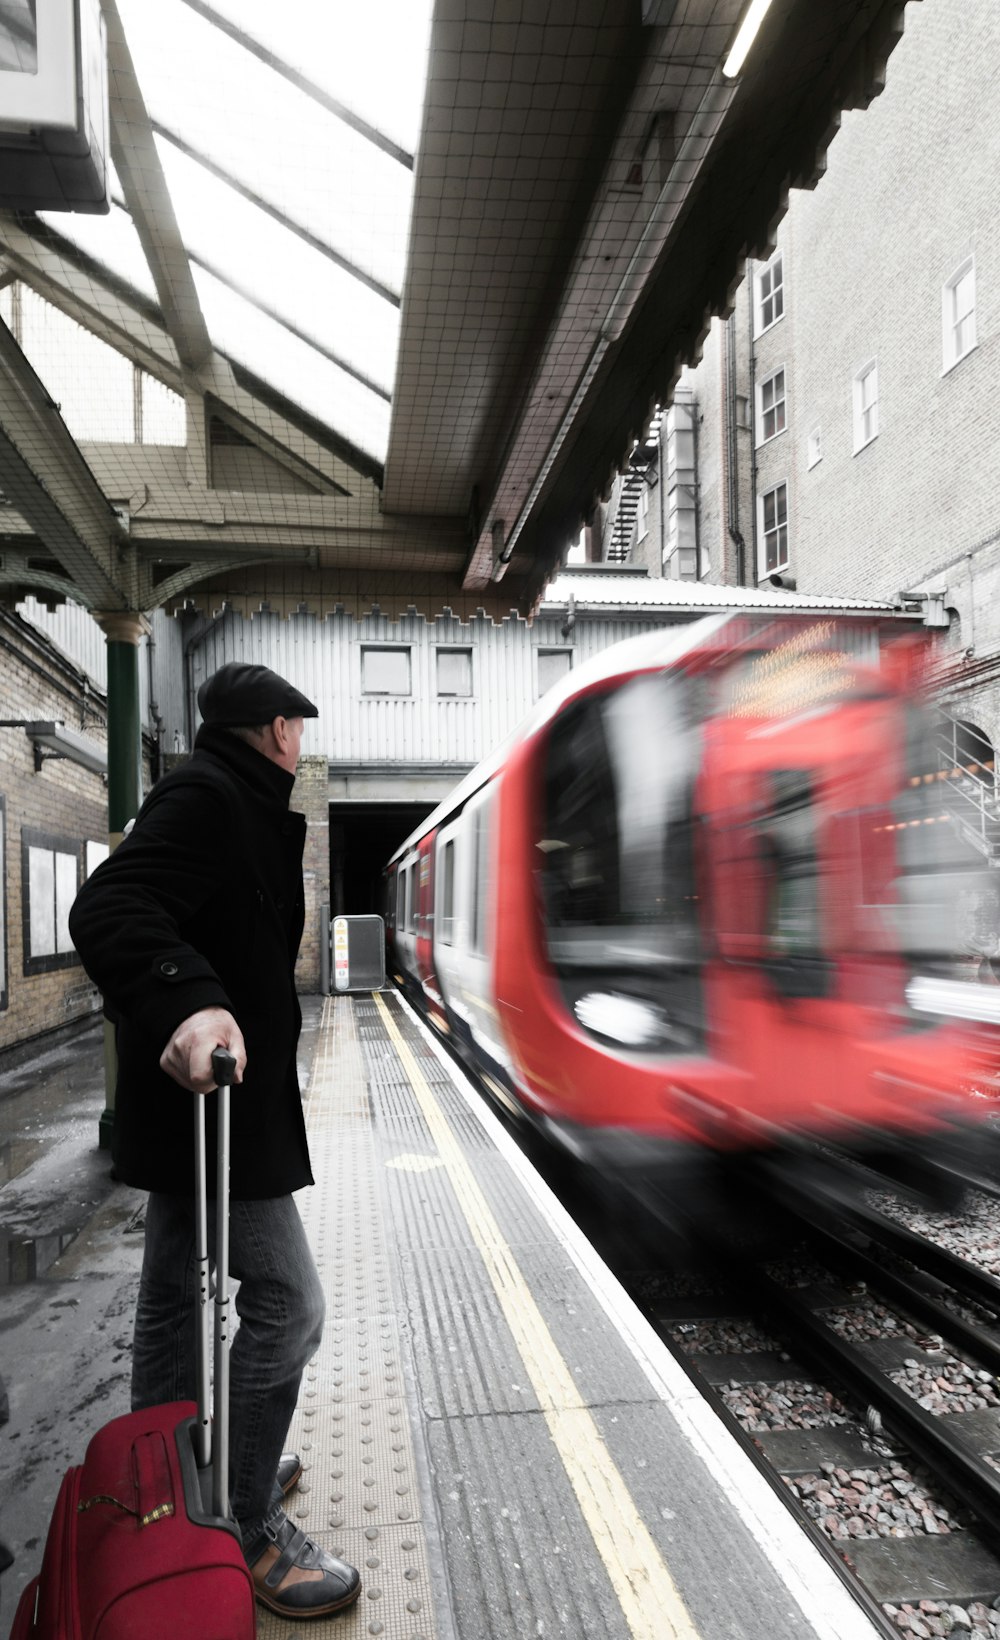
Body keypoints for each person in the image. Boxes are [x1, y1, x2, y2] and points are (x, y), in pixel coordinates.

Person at [69, 662, 360, 1621]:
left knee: (169, 1304)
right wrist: (189, 999)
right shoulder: (206, 795)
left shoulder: (233, 797)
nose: (302, 743)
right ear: (278, 731)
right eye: (299, 728)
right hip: (213, 1113)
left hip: (212, 1111)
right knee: (289, 1302)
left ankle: (174, 1496)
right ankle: (236, 1519)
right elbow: (110, 907)